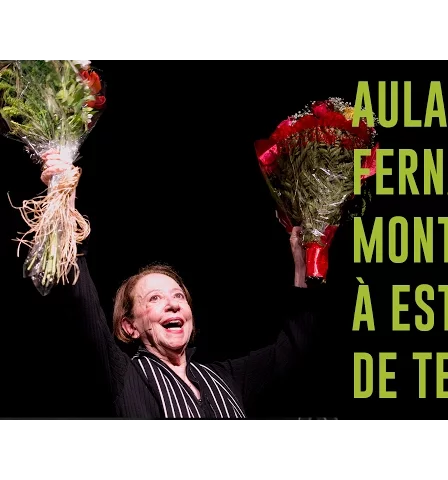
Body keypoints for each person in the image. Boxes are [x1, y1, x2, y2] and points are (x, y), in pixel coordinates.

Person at [39, 151, 320, 419]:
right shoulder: (123, 377)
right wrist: (62, 198)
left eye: (178, 296)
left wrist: (302, 261)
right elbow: (81, 302)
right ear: (129, 326)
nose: (173, 304)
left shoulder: (226, 378)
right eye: (154, 298)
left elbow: (294, 348)